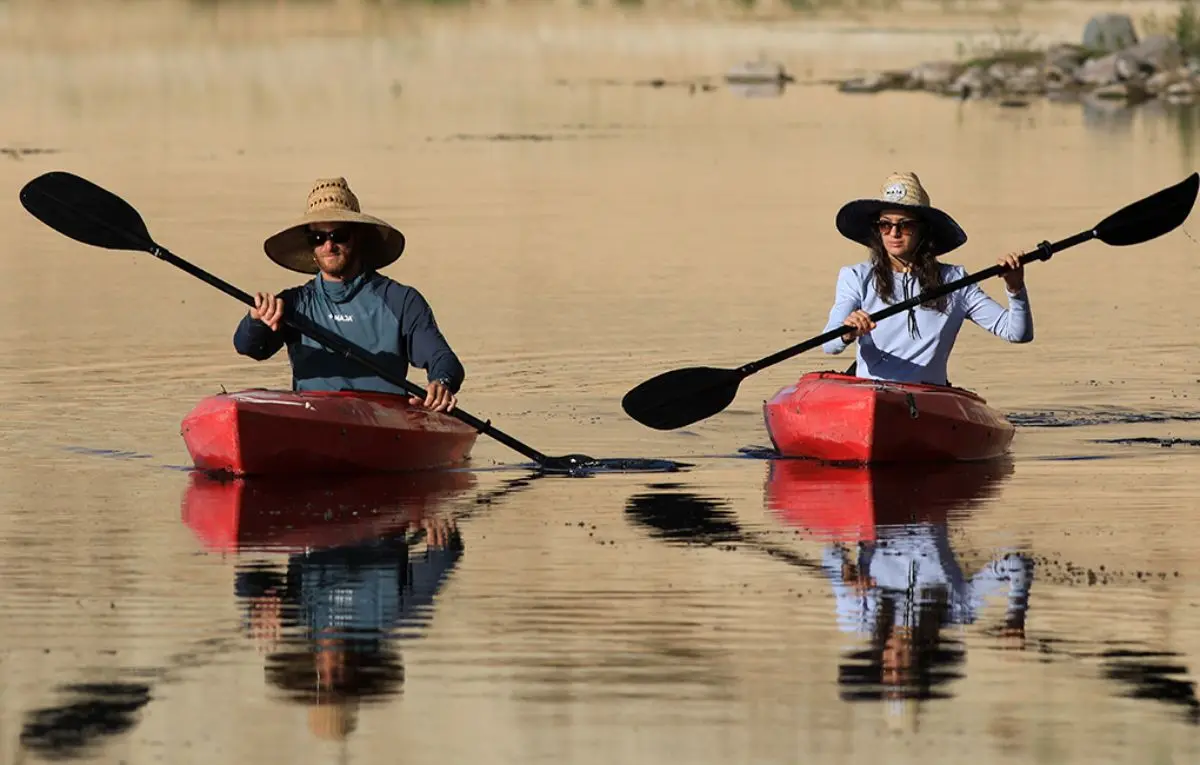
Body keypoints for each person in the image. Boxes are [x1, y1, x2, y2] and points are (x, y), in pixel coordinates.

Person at [233, 177, 464, 412]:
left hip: (384, 423)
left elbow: (443, 359)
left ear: (358, 236)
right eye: (318, 238)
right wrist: (256, 320)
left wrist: (441, 383)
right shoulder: (293, 304)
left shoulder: (401, 301)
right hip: (313, 419)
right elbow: (248, 347)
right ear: (311, 246)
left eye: (339, 236)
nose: (328, 246)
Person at [822, 172, 1033, 386]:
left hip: (930, 398)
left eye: (905, 225)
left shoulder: (955, 281)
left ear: (923, 230)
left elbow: (1017, 333)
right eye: (885, 225)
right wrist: (847, 333)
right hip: (870, 395)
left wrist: (1015, 288)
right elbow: (829, 345)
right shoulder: (855, 277)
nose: (894, 233)